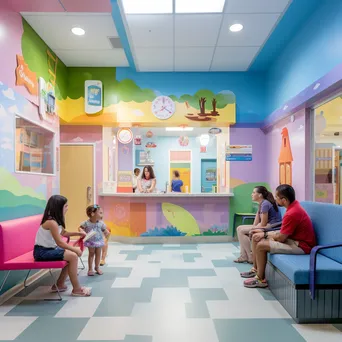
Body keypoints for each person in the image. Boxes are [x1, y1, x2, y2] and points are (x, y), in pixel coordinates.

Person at [242, 184, 316, 288]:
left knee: (261, 246)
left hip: (302, 246)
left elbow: (281, 238)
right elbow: (283, 232)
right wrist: (265, 234)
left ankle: (260, 279)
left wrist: (267, 235)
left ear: (284, 200)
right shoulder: (293, 206)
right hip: (293, 239)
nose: (275, 199)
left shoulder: (292, 212)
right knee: (256, 237)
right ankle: (255, 270)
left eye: (277, 197)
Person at [33, 195, 91, 297]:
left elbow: (63, 233)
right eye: (66, 206)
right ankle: (76, 289)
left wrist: (78, 234)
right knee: (72, 256)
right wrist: (74, 249)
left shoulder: (56, 221)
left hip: (49, 249)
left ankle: (59, 285)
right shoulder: (51, 222)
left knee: (70, 256)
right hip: (42, 252)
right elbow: (60, 242)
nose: (67, 208)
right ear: (58, 208)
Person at [234, 186, 282, 264]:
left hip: (272, 226)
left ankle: (250, 256)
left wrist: (253, 229)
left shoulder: (265, 204)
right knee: (239, 228)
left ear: (260, 195)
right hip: (266, 225)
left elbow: (263, 223)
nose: (251, 194)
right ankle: (243, 256)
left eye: (254, 192)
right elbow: (256, 223)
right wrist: (253, 228)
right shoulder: (261, 203)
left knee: (242, 231)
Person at [79, 204, 110, 276]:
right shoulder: (86, 223)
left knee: (98, 254)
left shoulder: (101, 223)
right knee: (91, 254)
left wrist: (106, 232)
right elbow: (80, 228)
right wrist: (82, 231)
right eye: (100, 213)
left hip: (99, 241)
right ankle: (90, 269)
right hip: (90, 241)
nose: (102, 215)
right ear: (93, 214)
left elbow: (104, 230)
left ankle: (97, 267)